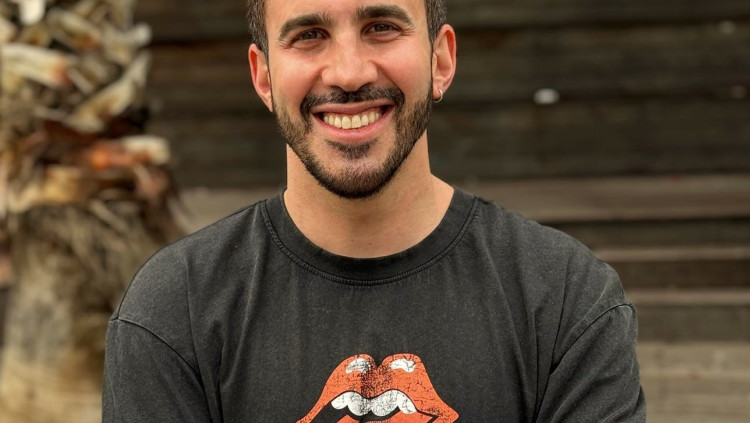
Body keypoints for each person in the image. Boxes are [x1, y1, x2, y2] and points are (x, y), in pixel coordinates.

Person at [102, 0, 646, 421]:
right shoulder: (175, 310)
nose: (348, 73)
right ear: (263, 76)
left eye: (381, 27)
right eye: (309, 35)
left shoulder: (565, 299)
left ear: (440, 60)